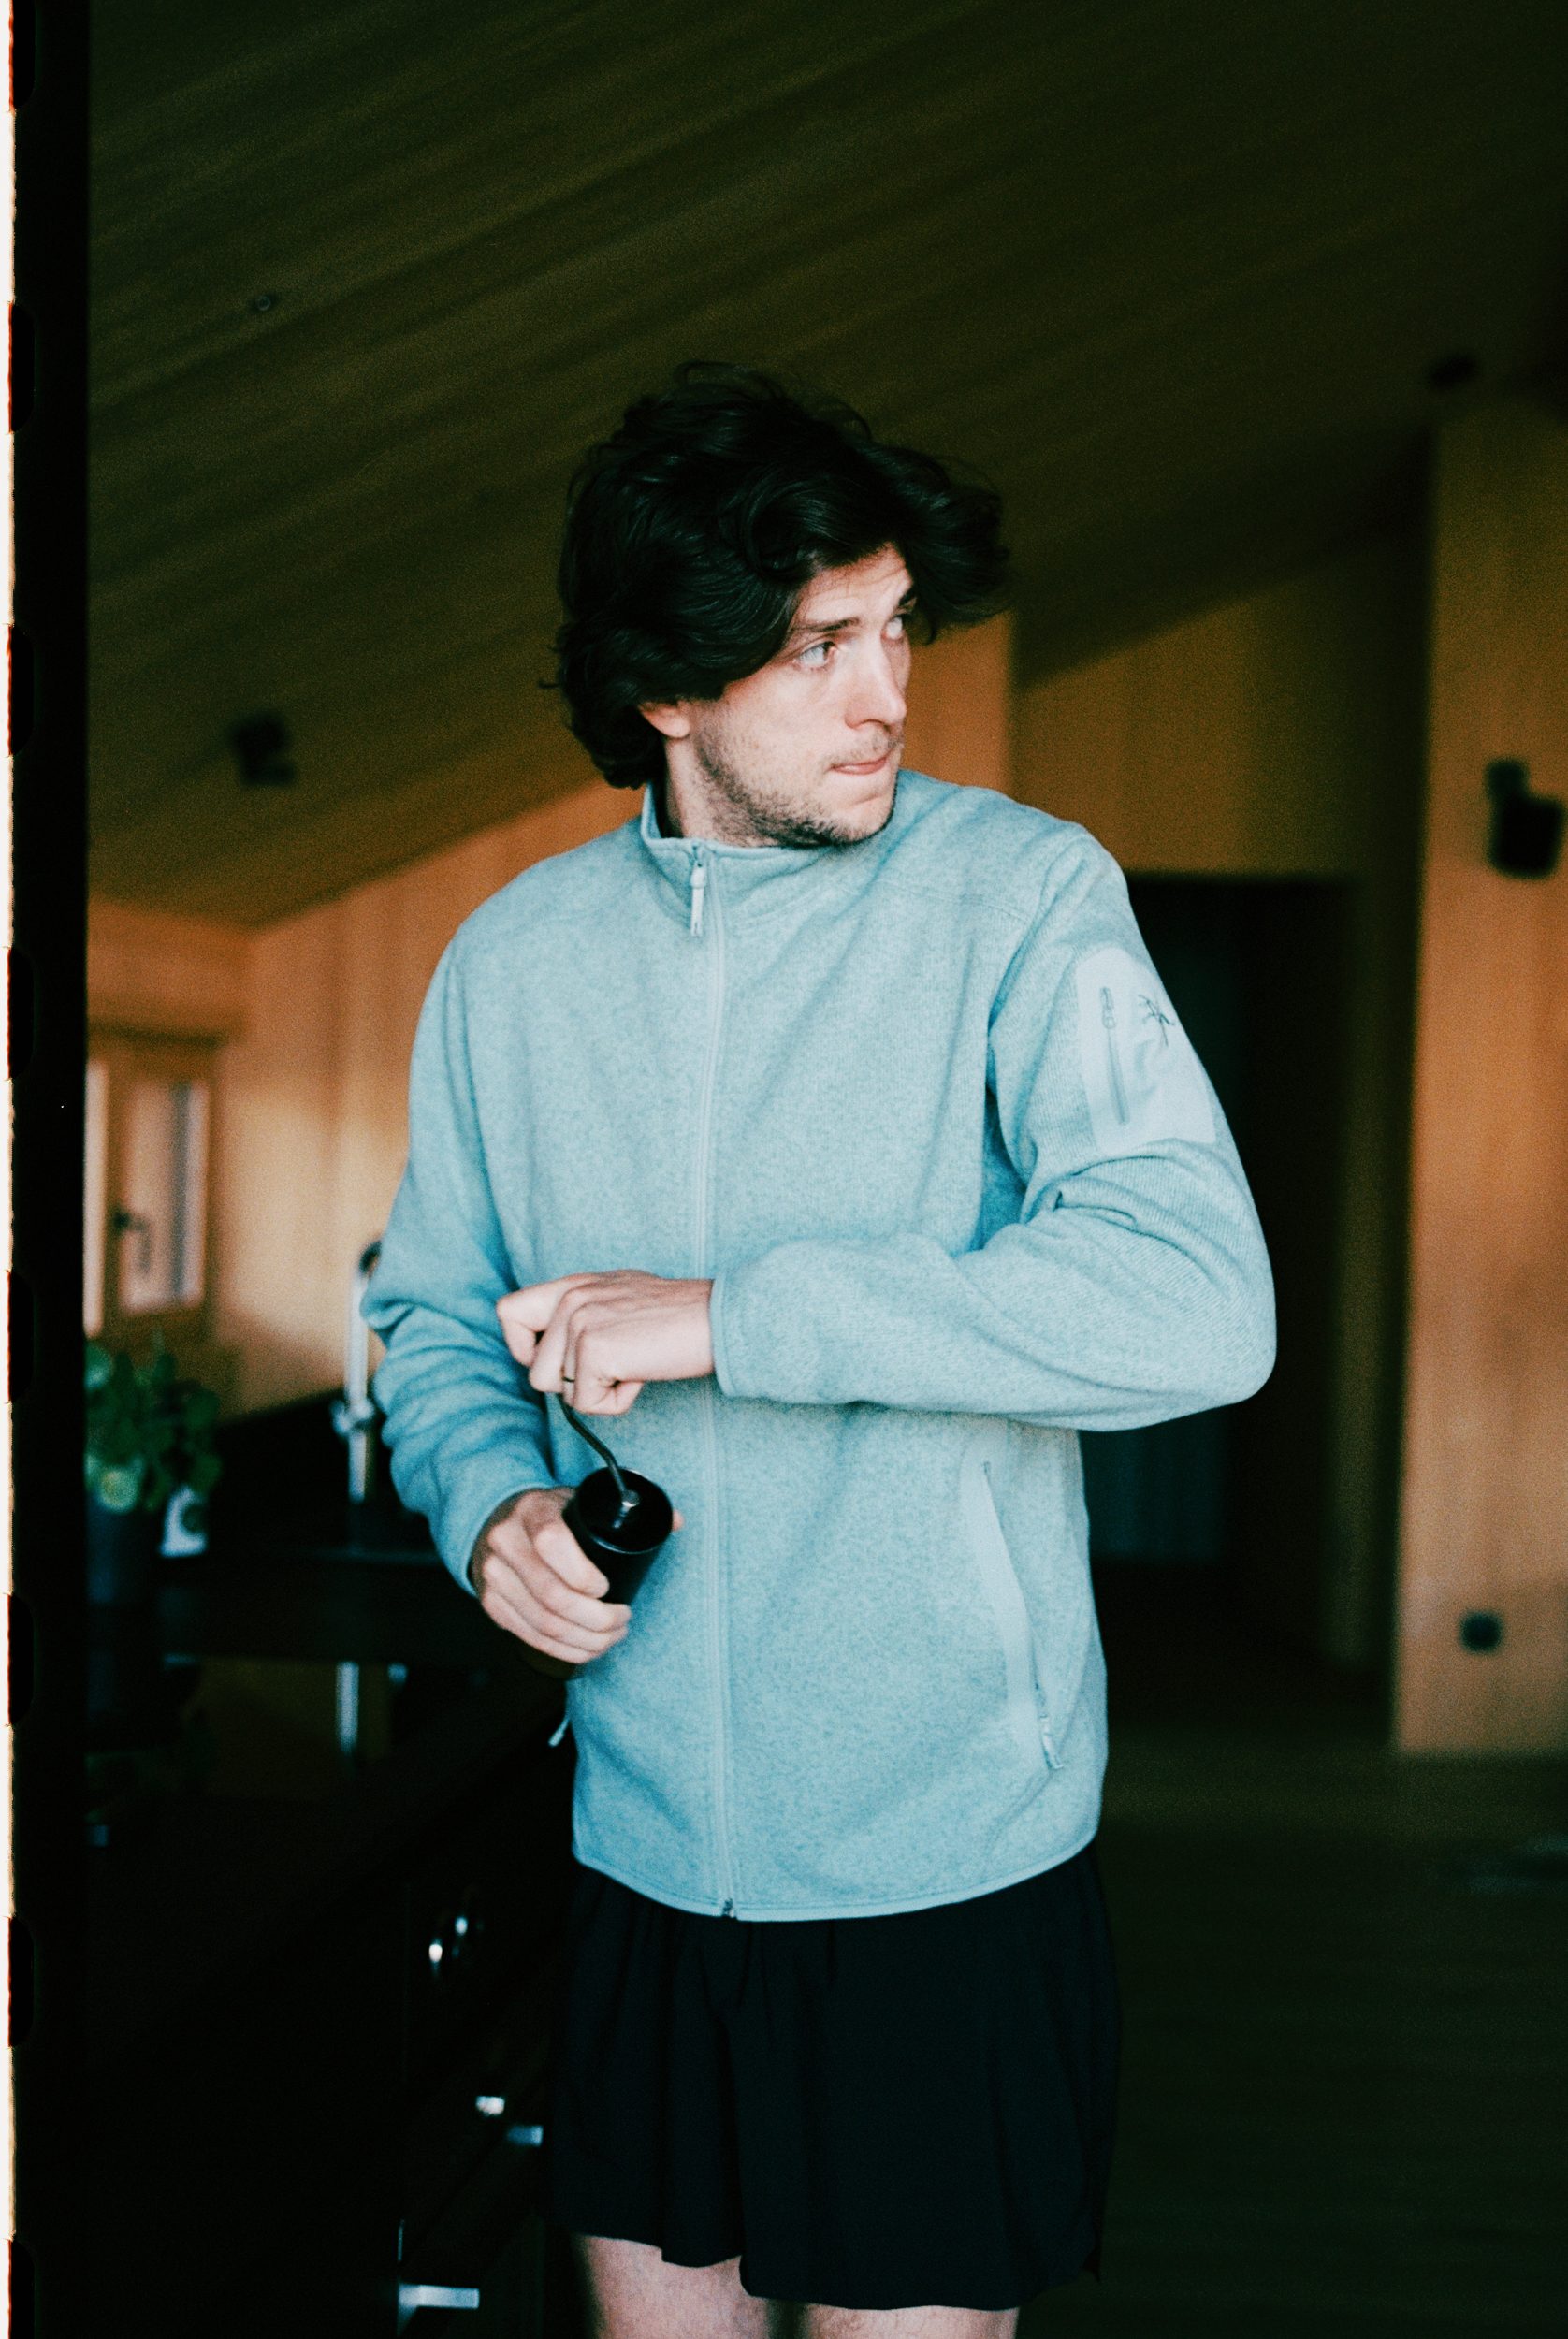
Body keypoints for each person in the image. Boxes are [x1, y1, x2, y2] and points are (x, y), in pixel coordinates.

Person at [366, 365, 1275, 2338]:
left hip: (949, 1869)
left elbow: (1199, 1298)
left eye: (897, 630)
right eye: (816, 647)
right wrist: (487, 1502)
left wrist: (735, 1314)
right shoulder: (511, 962)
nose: (886, 695)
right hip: (637, 1852)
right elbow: (430, 1314)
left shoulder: (1022, 897)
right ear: (665, 688)